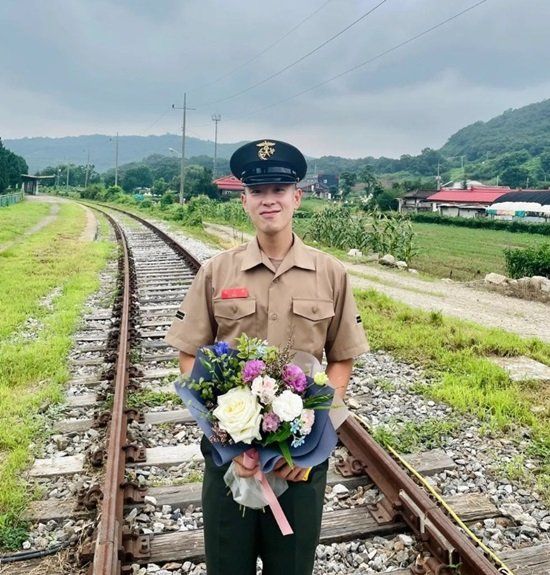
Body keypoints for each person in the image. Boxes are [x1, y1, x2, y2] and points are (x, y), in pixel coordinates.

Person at [165, 138, 369, 575]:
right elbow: (189, 357)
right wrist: (228, 440)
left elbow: (342, 359)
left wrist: (310, 442)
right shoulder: (217, 271)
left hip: (300, 467)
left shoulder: (331, 273)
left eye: (279, 189)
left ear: (297, 197)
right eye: (258, 191)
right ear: (245, 201)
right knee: (227, 566)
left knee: (291, 568)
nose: (269, 200)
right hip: (230, 463)